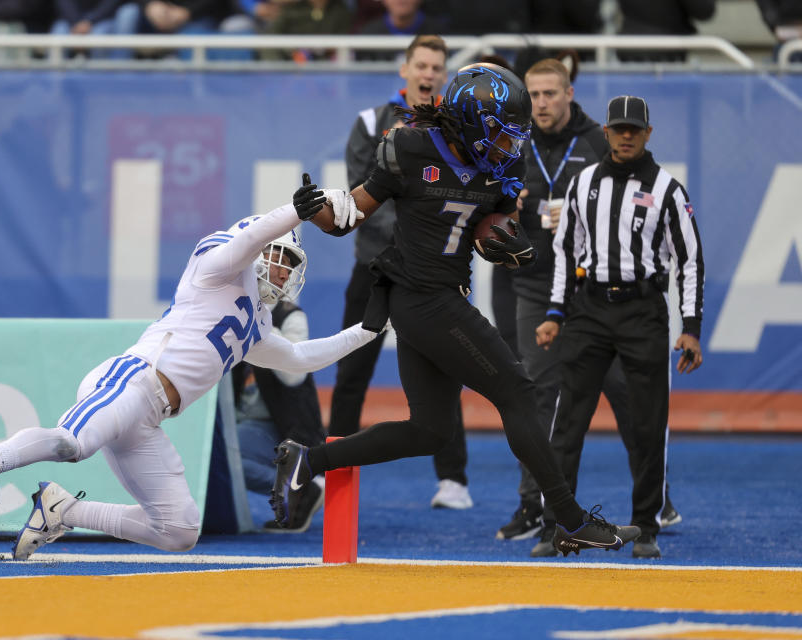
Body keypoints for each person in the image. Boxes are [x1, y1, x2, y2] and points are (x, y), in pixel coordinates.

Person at [272, 63, 641, 557]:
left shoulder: (503, 160)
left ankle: (307, 461)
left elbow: (495, 225)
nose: (509, 144)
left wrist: (507, 241)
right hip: (421, 297)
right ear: (469, 121)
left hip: (439, 297)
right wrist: (313, 207)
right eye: (500, 132)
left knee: (430, 430)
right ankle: (568, 520)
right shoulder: (409, 146)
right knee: (517, 388)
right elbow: (350, 215)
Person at [0, 203, 379, 560]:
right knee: (73, 443)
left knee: (179, 529)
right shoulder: (218, 263)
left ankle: (63, 510)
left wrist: (367, 331)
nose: (284, 274)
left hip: (150, 416)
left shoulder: (257, 322)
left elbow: (301, 357)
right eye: (283, 260)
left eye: (291, 267)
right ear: (265, 247)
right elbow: (246, 239)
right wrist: (296, 212)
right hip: (132, 379)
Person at [536, 95, 704, 559]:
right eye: (619, 128)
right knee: (569, 421)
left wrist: (691, 326)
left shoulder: (669, 189)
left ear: (648, 133)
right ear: (606, 132)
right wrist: (555, 313)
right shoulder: (582, 183)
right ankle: (559, 525)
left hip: (643, 309)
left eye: (635, 129)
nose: (626, 135)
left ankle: (646, 524)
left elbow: (690, 261)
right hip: (590, 309)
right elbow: (566, 253)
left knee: (649, 421)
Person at [498, 57, 640, 551]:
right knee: (534, 392)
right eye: (533, 95)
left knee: (625, 389)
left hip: (592, 287)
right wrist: (520, 208)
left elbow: (632, 204)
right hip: (535, 284)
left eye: (549, 94)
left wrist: (579, 215)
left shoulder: (600, 142)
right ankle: (537, 503)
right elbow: (492, 200)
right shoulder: (512, 139)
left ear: (569, 94)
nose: (540, 103)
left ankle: (653, 496)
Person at [332, 34, 472, 511]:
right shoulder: (371, 122)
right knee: (352, 372)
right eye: (422, 65)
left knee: (443, 370)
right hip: (373, 268)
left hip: (430, 277)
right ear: (405, 69)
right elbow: (359, 196)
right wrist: (414, 235)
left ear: (445, 74)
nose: (429, 74)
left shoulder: (456, 128)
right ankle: (333, 470)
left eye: (437, 67)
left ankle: (453, 480)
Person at [232, 296, 327, 533]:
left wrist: (261, 322)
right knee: (215, 454)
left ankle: (300, 489)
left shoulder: (290, 315)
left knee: (226, 459)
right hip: (246, 420)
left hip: (285, 427)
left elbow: (294, 375)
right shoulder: (228, 310)